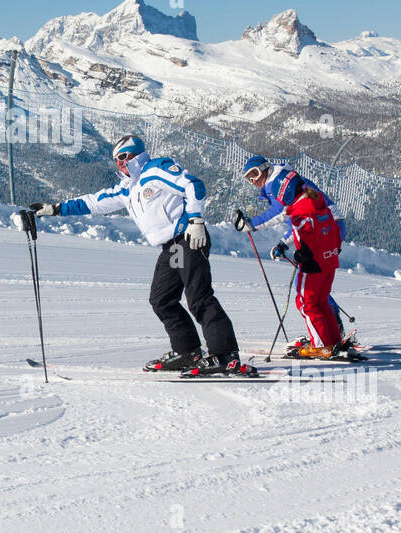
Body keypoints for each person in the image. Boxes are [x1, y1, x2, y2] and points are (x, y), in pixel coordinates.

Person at [31, 134, 254, 377]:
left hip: (188, 238)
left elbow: (193, 184)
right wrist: (55, 209)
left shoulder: (156, 169)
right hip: (172, 248)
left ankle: (225, 355)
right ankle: (188, 351)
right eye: (116, 160)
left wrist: (196, 220)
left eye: (124, 157)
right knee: (162, 300)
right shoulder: (127, 188)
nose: (120, 163)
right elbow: (94, 202)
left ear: (137, 154)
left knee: (198, 297)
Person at [232, 154, 349, 340]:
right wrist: (284, 243)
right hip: (328, 224)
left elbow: (282, 212)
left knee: (310, 291)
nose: (254, 180)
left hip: (326, 224)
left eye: (254, 174)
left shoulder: (278, 182)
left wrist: (251, 224)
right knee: (318, 284)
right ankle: (332, 333)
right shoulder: (286, 179)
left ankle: (327, 336)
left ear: (265, 168)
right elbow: (296, 218)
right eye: (249, 177)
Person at [269, 189, 343, 358]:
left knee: (307, 304)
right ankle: (333, 341)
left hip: (313, 266)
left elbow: (304, 236)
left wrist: (302, 254)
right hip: (329, 262)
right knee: (321, 302)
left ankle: (321, 346)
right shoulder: (324, 210)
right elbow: (335, 234)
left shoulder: (302, 214)